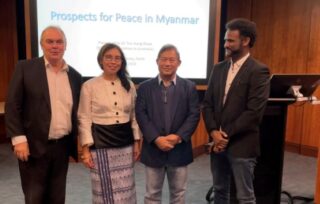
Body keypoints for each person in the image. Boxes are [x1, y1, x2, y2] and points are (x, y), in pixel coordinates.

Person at [5, 26, 82, 204]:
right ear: (41, 44)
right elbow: (12, 105)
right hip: (32, 147)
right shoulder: (25, 68)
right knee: (35, 198)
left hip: (62, 148)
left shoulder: (75, 76)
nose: (55, 46)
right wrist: (18, 139)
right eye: (50, 41)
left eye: (59, 42)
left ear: (65, 46)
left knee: (57, 198)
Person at [202, 18, 270, 204]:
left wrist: (224, 135)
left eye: (230, 40)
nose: (226, 44)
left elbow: (253, 113)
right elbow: (207, 104)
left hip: (242, 145)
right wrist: (213, 132)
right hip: (217, 144)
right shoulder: (218, 69)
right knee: (220, 191)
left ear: (246, 41)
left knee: (245, 197)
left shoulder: (259, 71)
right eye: (225, 40)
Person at [135, 44, 200, 204]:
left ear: (179, 62)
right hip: (153, 149)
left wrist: (177, 137)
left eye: (172, 60)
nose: (167, 63)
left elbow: (194, 115)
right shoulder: (144, 88)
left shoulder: (189, 87)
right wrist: (156, 138)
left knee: (178, 195)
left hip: (179, 149)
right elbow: (141, 115)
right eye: (164, 59)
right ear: (157, 61)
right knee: (152, 195)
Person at [78, 43, 141, 203]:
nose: (113, 61)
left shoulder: (129, 85)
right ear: (101, 60)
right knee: (103, 191)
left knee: (126, 189)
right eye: (109, 57)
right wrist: (85, 150)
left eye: (117, 58)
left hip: (125, 145)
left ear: (122, 62)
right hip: (100, 145)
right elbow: (84, 118)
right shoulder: (89, 86)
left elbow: (134, 117)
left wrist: (137, 143)